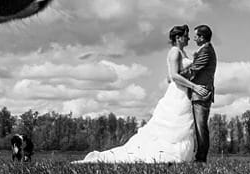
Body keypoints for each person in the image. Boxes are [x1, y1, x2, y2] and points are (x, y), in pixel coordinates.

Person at [74, 25, 208, 163]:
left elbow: (168, 77)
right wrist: (194, 86)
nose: (189, 38)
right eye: (186, 36)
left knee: (181, 124)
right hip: (178, 93)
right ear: (178, 38)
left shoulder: (181, 52)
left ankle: (179, 153)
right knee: (172, 124)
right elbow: (173, 76)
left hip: (183, 92)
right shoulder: (175, 52)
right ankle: (168, 153)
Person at [181, 24, 217, 162]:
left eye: (196, 36)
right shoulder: (203, 50)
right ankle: (199, 156)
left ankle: (201, 158)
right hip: (198, 94)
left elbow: (193, 70)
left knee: (201, 127)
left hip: (201, 94)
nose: (194, 39)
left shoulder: (206, 51)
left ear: (202, 37)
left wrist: (176, 75)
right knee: (197, 127)